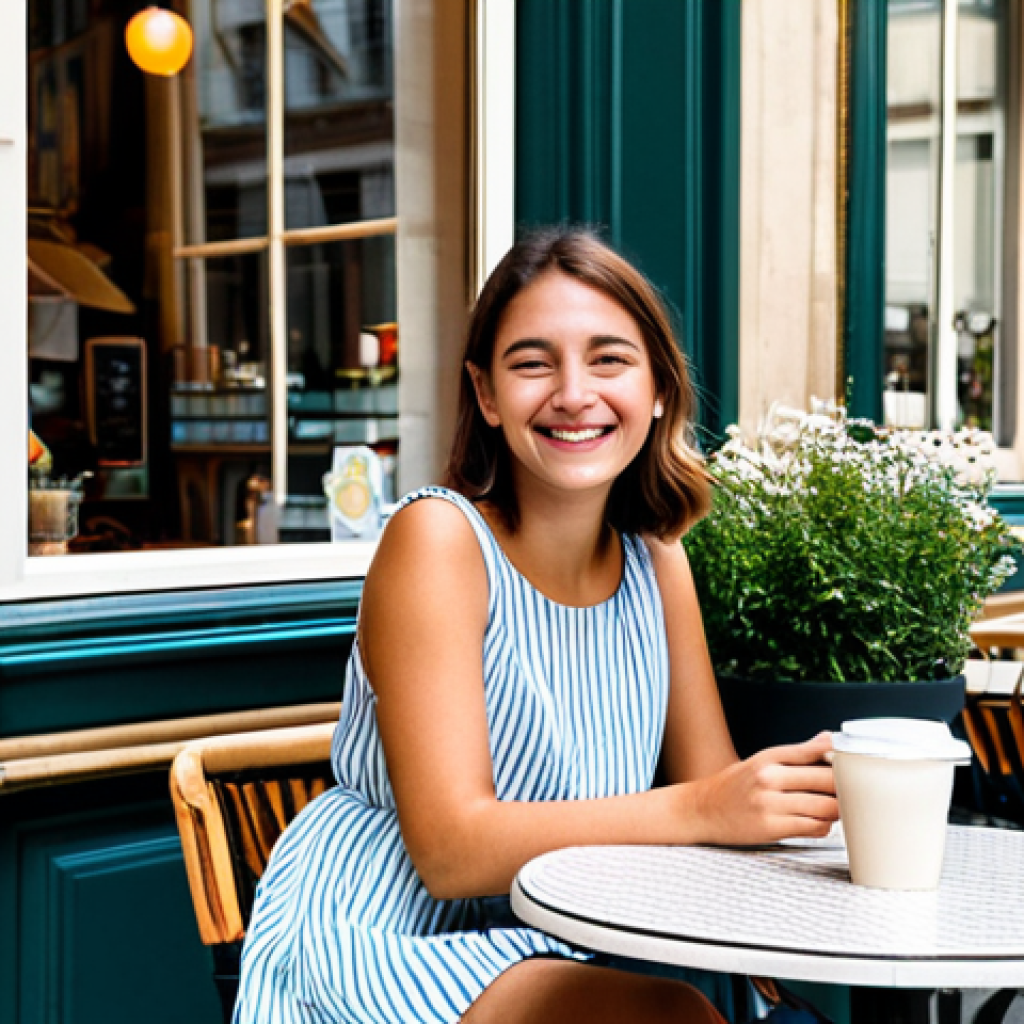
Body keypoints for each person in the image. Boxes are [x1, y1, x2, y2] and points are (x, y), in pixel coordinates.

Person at [234, 228, 838, 1024]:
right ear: (486, 395)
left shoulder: (658, 564)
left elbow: (716, 798)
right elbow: (451, 852)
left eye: (609, 358)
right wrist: (706, 810)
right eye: (532, 362)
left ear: (658, 387)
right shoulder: (438, 540)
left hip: (556, 937)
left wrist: (815, 810)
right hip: (380, 940)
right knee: (675, 1020)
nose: (574, 393)